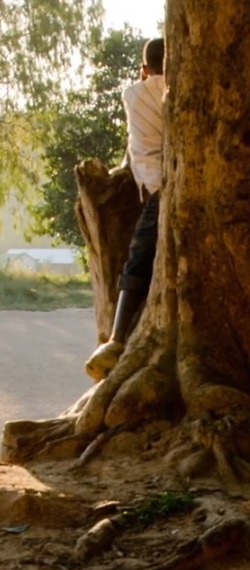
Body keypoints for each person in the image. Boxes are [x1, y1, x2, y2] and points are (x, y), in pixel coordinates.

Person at [85, 38, 167, 381]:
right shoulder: (186, 92)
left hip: (160, 188)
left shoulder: (135, 94)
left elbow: (138, 143)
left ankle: (117, 340)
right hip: (178, 183)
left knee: (138, 256)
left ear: (143, 70)